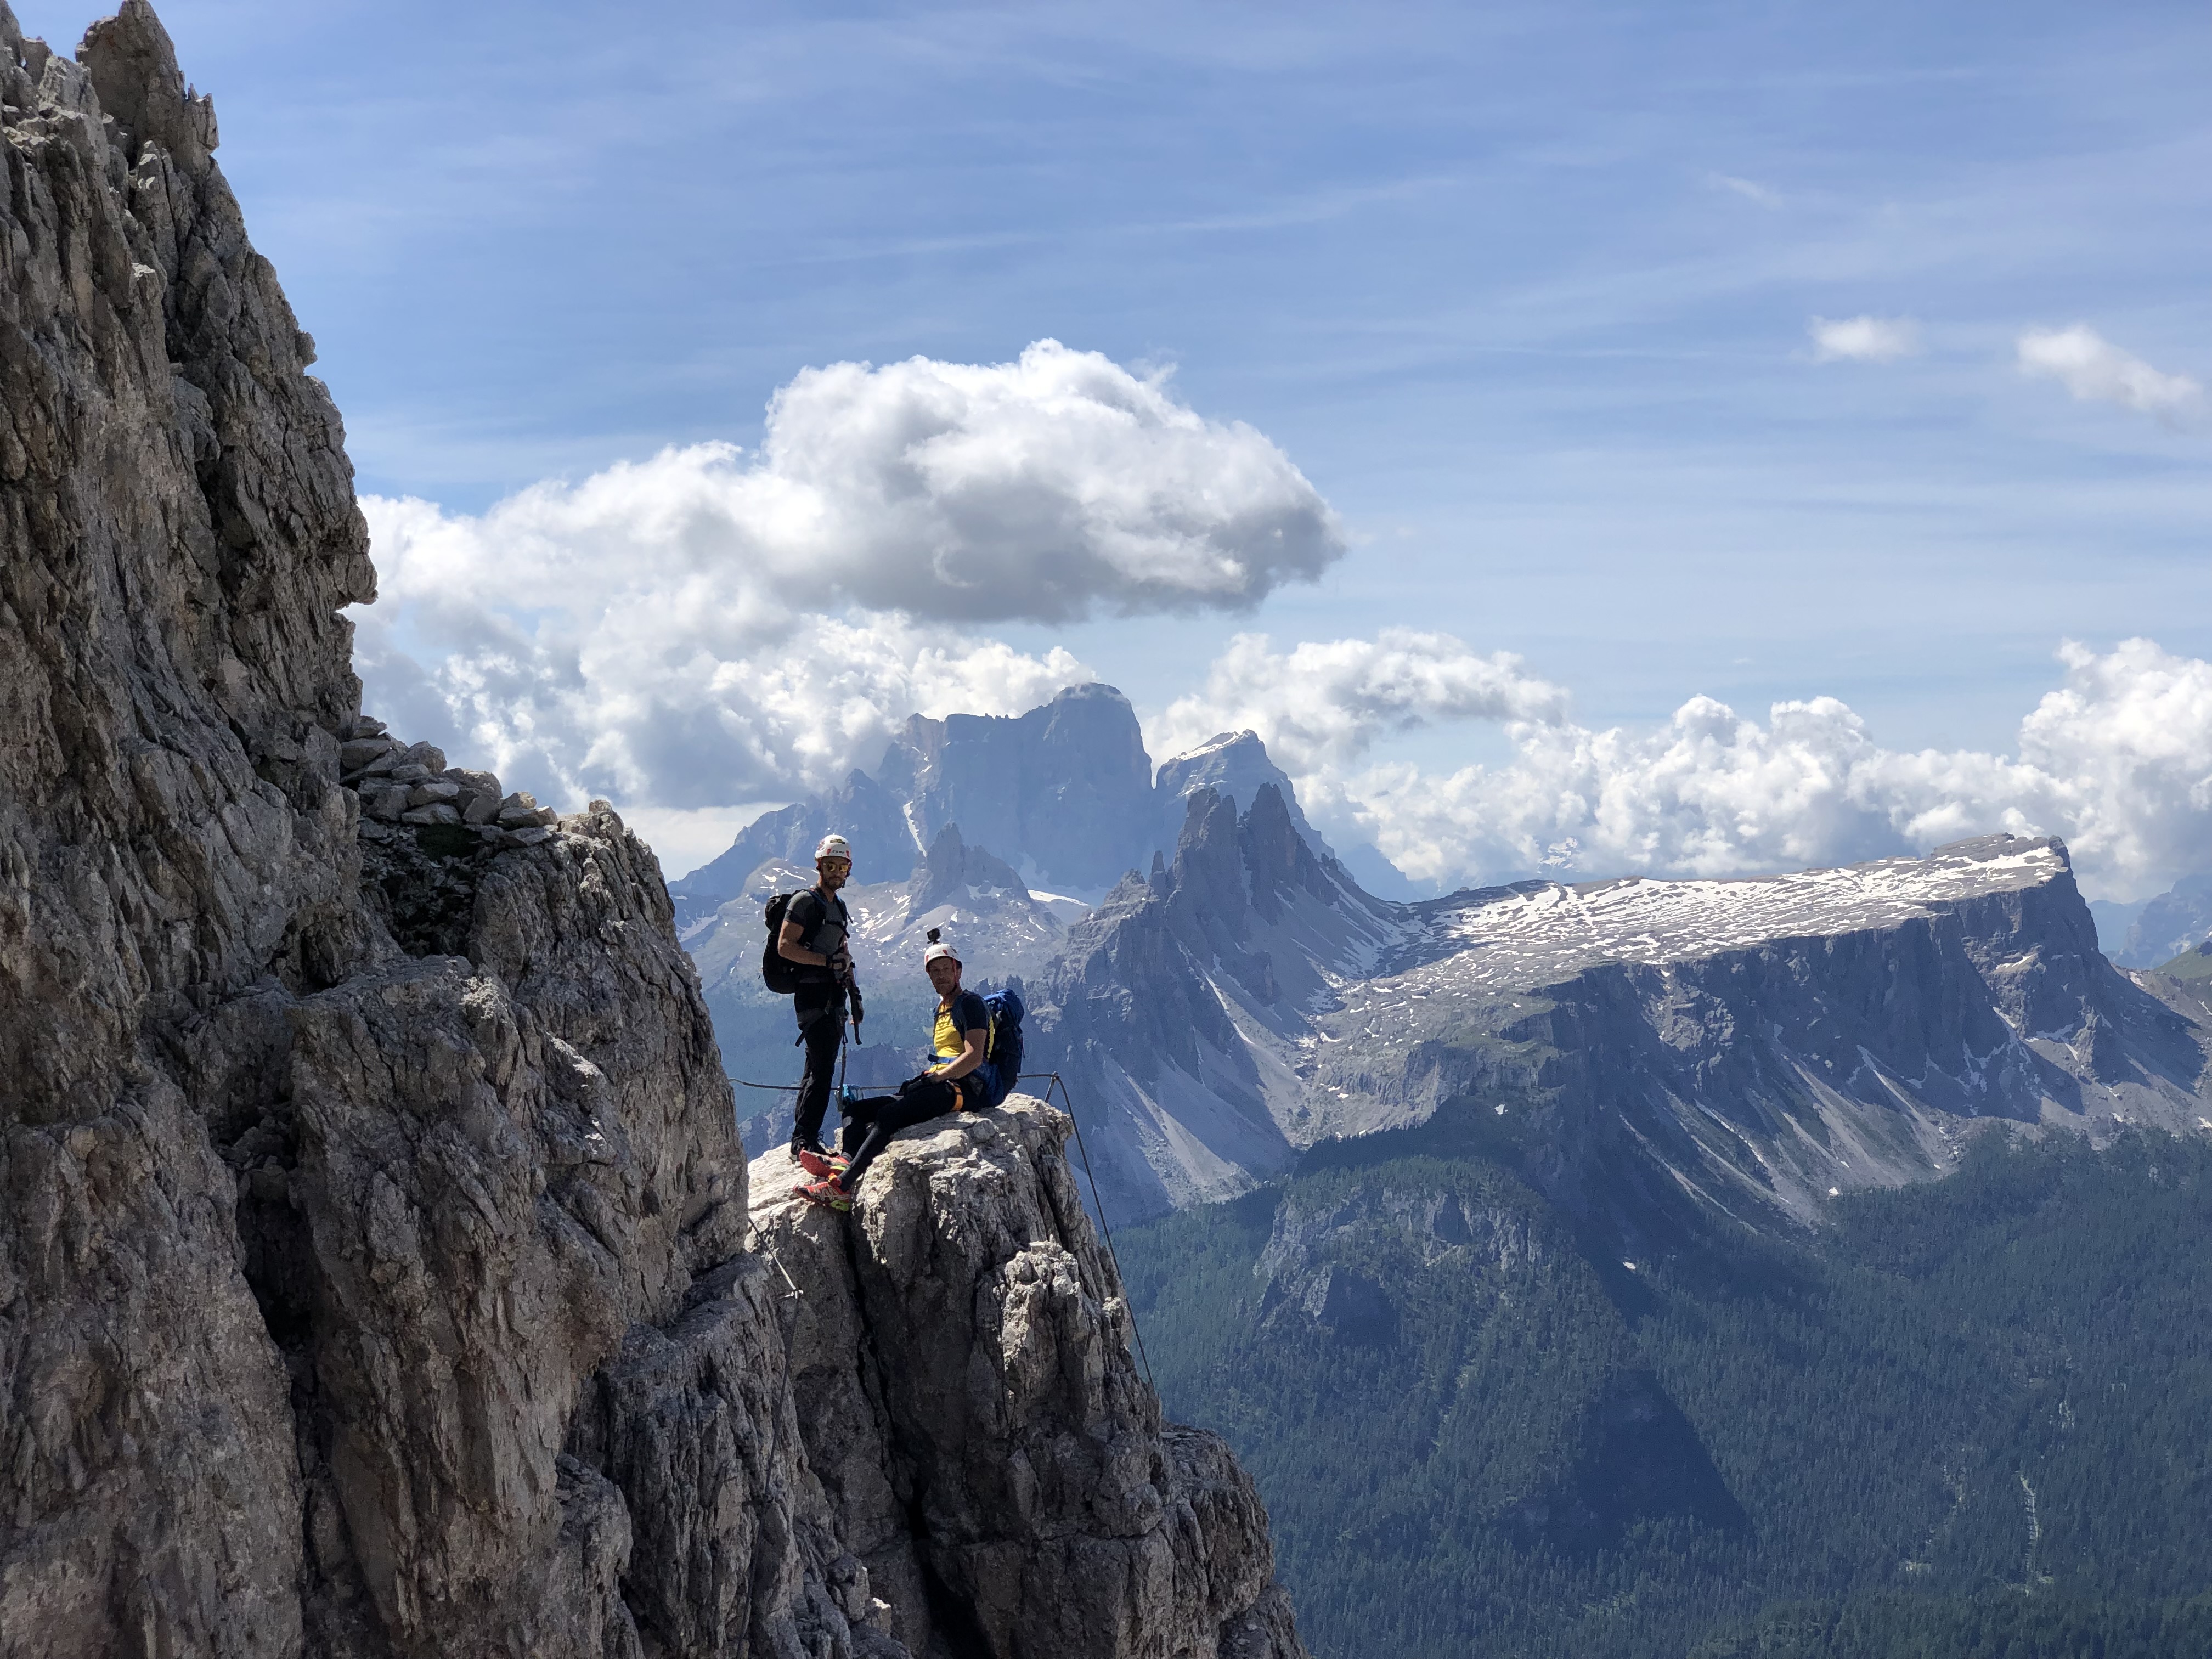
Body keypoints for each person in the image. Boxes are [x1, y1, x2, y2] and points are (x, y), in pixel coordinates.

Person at [798, 937, 989, 1211]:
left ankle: (842, 1187)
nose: (941, 975)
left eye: (946, 969)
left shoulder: (970, 1004)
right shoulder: (943, 1009)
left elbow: (974, 1056)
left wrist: (935, 1078)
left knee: (889, 1116)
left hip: (964, 1090)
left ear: (958, 970)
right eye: (935, 971)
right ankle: (846, 1161)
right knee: (856, 1110)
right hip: (940, 1084)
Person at [782, 833, 861, 1179]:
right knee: (822, 1068)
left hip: (835, 996)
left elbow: (843, 951)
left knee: (817, 1066)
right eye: (830, 865)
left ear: (848, 870)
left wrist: (854, 992)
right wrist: (825, 963)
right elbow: (786, 946)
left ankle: (803, 1138)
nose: (835, 872)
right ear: (819, 866)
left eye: (841, 867)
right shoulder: (805, 902)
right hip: (813, 995)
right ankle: (805, 1141)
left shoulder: (838, 907)